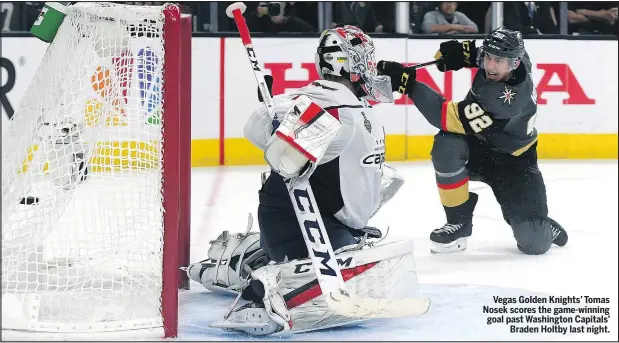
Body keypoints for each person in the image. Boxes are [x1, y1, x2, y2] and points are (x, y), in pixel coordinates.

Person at [183, 25, 421, 336]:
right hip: (299, 220)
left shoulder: (348, 101)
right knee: (328, 279)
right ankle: (256, 272)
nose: (371, 67)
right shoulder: (323, 103)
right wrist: (278, 120)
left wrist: (403, 77)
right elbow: (262, 132)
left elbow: (380, 91)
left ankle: (251, 256)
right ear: (349, 64)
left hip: (332, 219)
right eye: (367, 59)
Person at [377, 26, 568, 255]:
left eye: (498, 61)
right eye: (488, 57)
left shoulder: (505, 101)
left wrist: (409, 85)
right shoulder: (518, 57)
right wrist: (466, 53)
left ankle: (538, 223)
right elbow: (488, 53)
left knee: (534, 244)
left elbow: (443, 115)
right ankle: (458, 222)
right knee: (447, 146)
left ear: (514, 64)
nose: (490, 65)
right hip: (478, 146)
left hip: (515, 162)